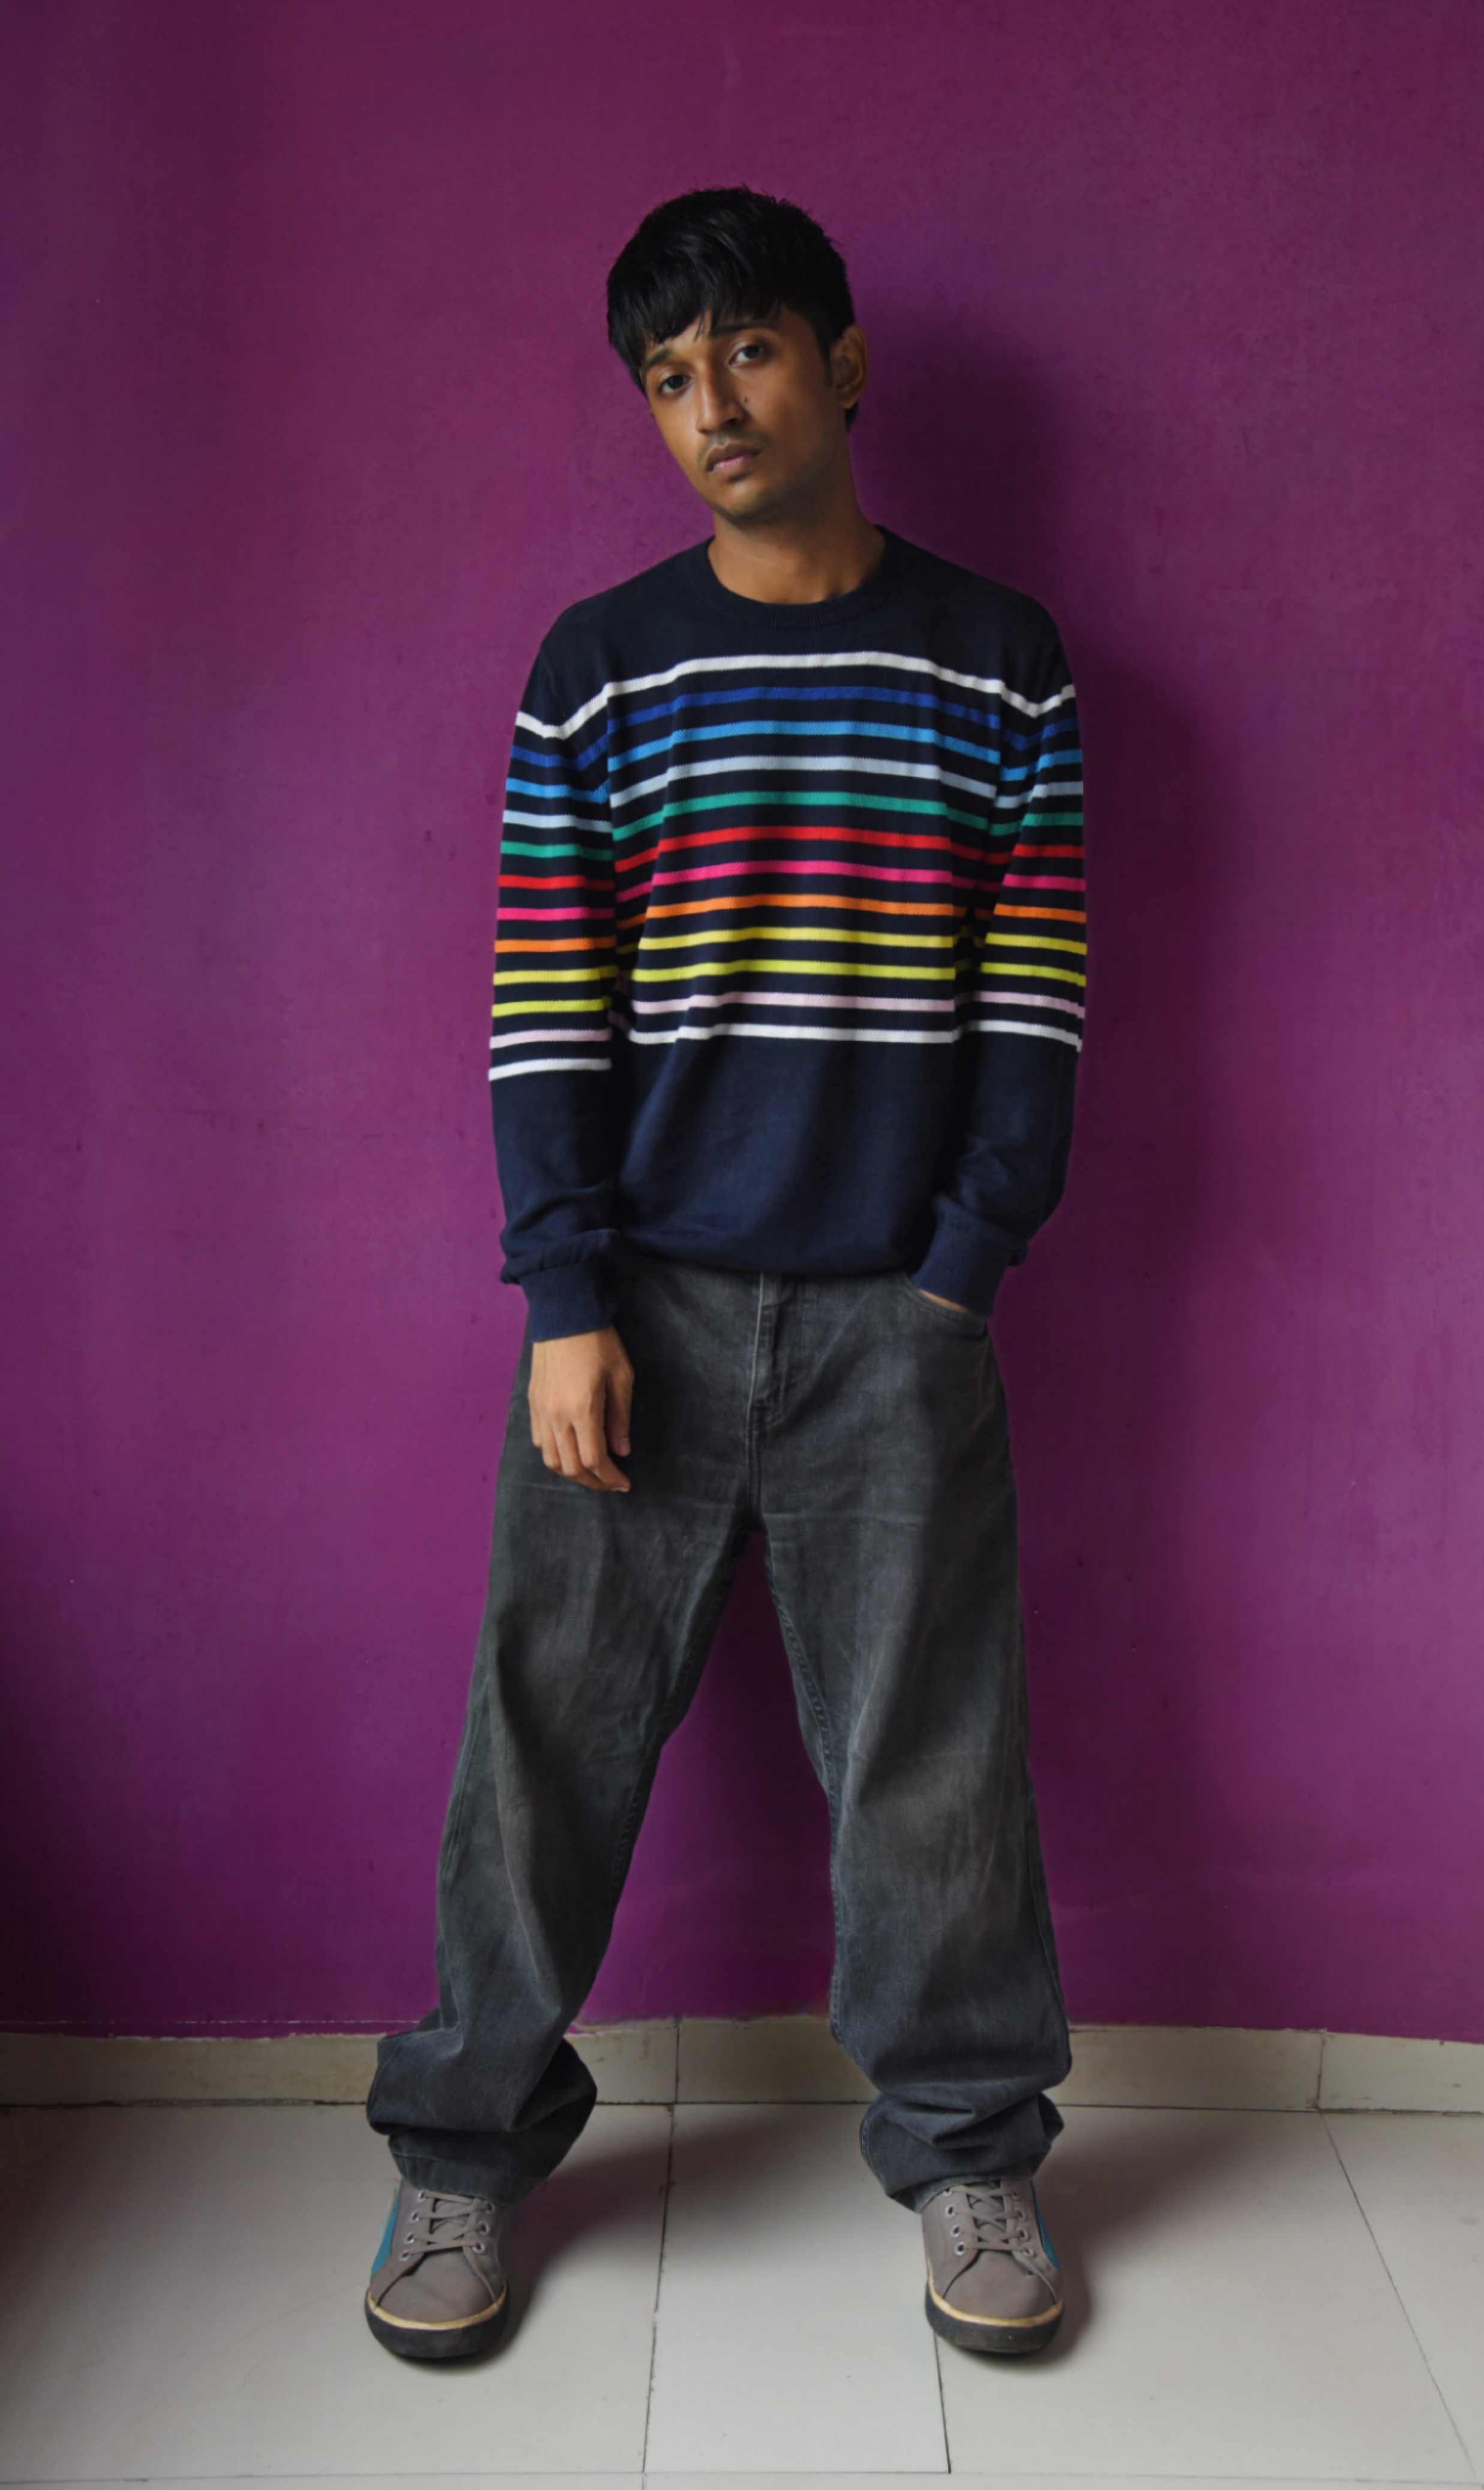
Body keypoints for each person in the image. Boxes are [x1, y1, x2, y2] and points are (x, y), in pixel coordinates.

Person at [363, 185, 1085, 2364]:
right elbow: (546, 1007)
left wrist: (958, 1274)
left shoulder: (998, 658)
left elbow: (1029, 1000)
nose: (712, 407)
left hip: (896, 1318)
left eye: (748, 352)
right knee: (543, 1748)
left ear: (840, 365)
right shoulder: (600, 667)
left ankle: (966, 2155)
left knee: (931, 1761)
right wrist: (563, 1298)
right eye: (668, 378)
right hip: (638, 1318)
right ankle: (459, 2152)